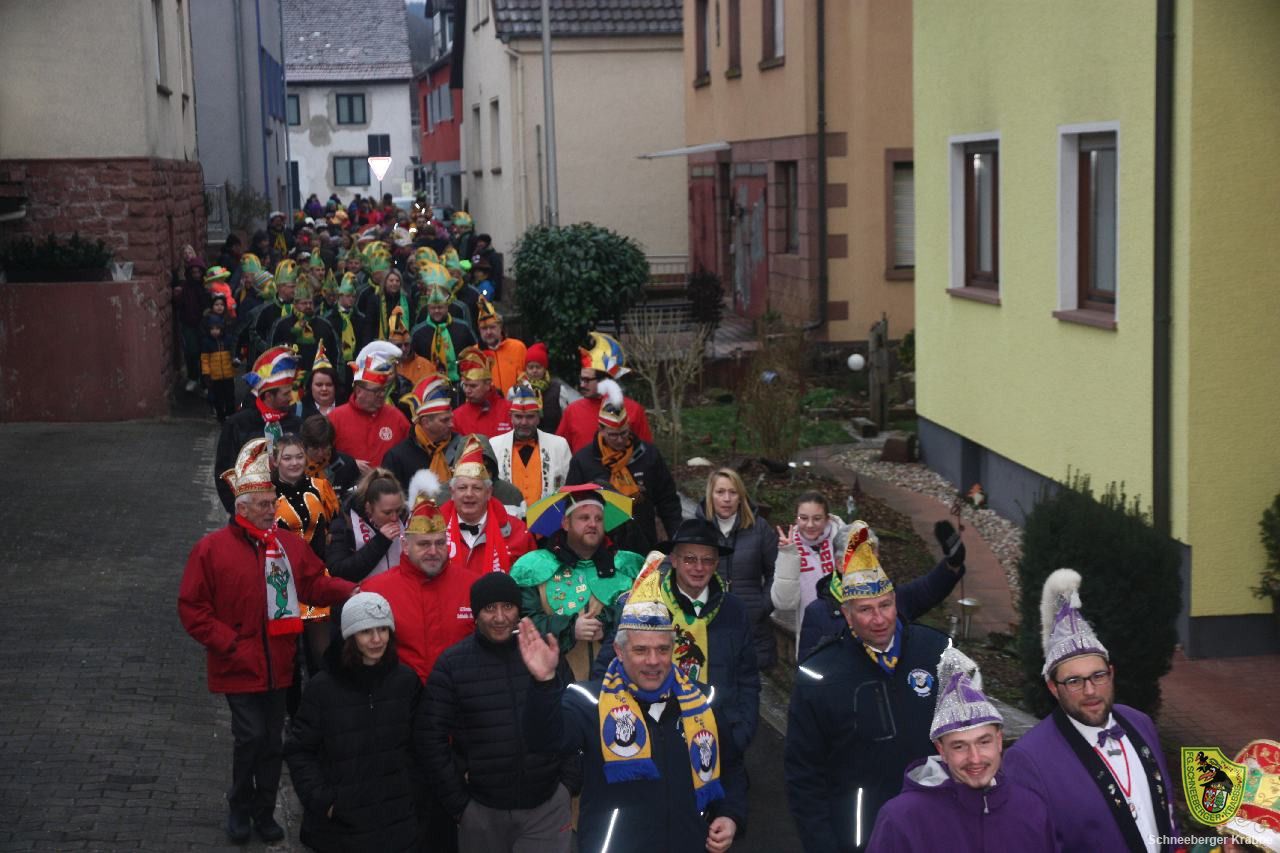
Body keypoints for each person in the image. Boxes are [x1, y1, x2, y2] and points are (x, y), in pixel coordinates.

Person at [178, 439, 355, 844]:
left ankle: (264, 811)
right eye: (263, 504)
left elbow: (314, 584)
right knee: (251, 738)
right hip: (236, 664)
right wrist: (229, 643)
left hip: (279, 661)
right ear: (242, 508)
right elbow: (192, 608)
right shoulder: (211, 550)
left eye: (272, 502)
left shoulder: (287, 545)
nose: (272, 509)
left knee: (274, 741)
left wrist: (352, 591)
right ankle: (240, 806)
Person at [518, 562, 749, 853]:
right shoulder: (589, 702)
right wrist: (543, 684)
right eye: (640, 650)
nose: (653, 661)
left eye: (662, 649)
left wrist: (730, 813)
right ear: (619, 650)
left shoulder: (704, 700)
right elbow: (543, 741)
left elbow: (731, 766)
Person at [783, 524, 952, 853]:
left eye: (885, 605)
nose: (879, 619)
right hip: (862, 838)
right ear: (847, 615)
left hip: (934, 827)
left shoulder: (937, 652)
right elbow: (804, 774)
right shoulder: (818, 675)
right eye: (865, 609)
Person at [1002, 569, 1178, 852]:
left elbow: (1166, 811)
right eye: (1074, 681)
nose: (1090, 690)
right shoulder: (1027, 760)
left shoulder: (1140, 723)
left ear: (1111, 673)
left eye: (1098, 676)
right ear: (1053, 687)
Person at [418, 573, 580, 852]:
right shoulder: (452, 665)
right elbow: (430, 738)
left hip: (547, 806)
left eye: (507, 606)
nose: (500, 617)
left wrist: (567, 786)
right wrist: (459, 805)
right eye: (489, 608)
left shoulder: (542, 653)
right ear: (476, 614)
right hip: (482, 812)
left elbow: (573, 717)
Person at [594, 518, 761, 757]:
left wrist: (741, 734)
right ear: (673, 560)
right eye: (690, 559)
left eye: (707, 560)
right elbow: (606, 668)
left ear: (716, 564)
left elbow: (748, 678)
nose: (699, 568)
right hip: (656, 737)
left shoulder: (734, 610)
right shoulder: (646, 605)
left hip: (721, 736)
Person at [867, 646, 1056, 852]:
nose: (975, 758)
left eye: (983, 742)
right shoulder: (902, 819)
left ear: (999, 741)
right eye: (959, 746)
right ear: (941, 750)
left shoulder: (1031, 809)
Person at [283, 592, 423, 853]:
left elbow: (420, 745)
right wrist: (323, 800)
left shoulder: (406, 682)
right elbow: (300, 750)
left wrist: (412, 791)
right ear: (350, 636)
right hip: (339, 828)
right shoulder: (322, 688)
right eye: (366, 631)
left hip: (397, 822)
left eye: (383, 629)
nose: (377, 639)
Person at [510, 490, 645, 679]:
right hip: (554, 684)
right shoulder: (533, 567)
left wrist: (607, 625)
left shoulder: (628, 567)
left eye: (599, 518)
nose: (593, 524)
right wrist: (570, 629)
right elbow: (524, 625)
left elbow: (645, 614)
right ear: (566, 523)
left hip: (618, 687)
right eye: (584, 518)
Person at [797, 520, 968, 661]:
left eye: (873, 558)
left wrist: (953, 562)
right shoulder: (819, 613)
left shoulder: (892, 598)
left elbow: (927, 590)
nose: (870, 566)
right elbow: (808, 673)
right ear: (840, 564)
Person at [362, 476, 478, 681]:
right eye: (423, 544)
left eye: (439, 543)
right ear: (405, 546)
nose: (433, 551)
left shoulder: (473, 586)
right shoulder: (375, 591)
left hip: (461, 694)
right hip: (403, 695)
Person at [565, 380, 682, 553]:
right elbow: (572, 504)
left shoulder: (648, 455)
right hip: (599, 546)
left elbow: (668, 501)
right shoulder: (583, 460)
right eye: (613, 435)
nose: (620, 440)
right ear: (601, 430)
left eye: (624, 433)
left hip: (644, 543)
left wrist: (678, 540)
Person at [694, 467, 778, 669]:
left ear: (741, 497)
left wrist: (762, 606)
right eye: (720, 492)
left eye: (733, 492)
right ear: (711, 495)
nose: (727, 498)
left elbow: (775, 572)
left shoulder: (760, 528)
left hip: (752, 627)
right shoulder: (695, 529)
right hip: (708, 626)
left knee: (750, 683)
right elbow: (676, 569)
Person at [213, 346, 303, 513]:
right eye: (285, 394)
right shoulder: (238, 424)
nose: (291, 398)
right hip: (249, 513)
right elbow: (225, 472)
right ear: (268, 396)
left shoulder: (297, 425)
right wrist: (237, 511)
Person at [770, 492, 852, 657]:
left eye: (817, 518)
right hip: (812, 629)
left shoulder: (846, 541)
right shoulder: (789, 546)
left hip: (849, 624)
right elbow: (784, 603)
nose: (810, 524)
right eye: (803, 518)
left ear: (827, 519)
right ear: (796, 519)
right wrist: (788, 555)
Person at [438, 438, 535, 576]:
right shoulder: (432, 531)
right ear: (452, 492)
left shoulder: (518, 532)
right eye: (462, 488)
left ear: (488, 492)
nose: (469, 494)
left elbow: (530, 581)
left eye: (477, 488)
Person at [556, 332, 653, 452]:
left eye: (587, 380)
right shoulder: (572, 411)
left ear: (605, 381)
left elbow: (646, 452)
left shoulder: (634, 410)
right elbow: (559, 451)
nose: (582, 385)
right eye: (581, 379)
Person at [489, 378, 572, 511]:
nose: (524, 422)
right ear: (511, 417)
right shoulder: (494, 445)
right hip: (507, 521)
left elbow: (569, 488)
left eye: (530, 417)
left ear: (539, 417)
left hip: (549, 521)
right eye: (518, 417)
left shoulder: (559, 445)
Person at [328, 341, 410, 470]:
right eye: (376, 391)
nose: (382, 395)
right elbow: (322, 456)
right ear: (359, 391)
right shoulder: (335, 418)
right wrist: (350, 464)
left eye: (383, 390)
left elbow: (410, 455)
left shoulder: (397, 418)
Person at [327, 467, 406, 583]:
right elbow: (338, 571)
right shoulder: (345, 523)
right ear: (369, 507)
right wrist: (381, 541)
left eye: (398, 510)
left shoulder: (406, 517)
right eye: (387, 512)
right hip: (363, 592)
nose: (394, 518)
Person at [411, 277, 476, 383]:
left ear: (447, 307)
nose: (437, 311)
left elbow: (474, 351)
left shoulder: (463, 328)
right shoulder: (418, 332)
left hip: (460, 381)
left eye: (440, 307)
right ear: (428, 309)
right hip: (428, 382)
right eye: (433, 308)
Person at [450, 346, 512, 438]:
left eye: (473, 386)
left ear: (488, 384)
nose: (467, 391)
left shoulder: (509, 410)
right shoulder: (457, 417)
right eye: (465, 385)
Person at [300, 413, 360, 502]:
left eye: (325, 447)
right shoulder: (293, 467)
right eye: (315, 448)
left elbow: (355, 500)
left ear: (332, 444)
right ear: (304, 445)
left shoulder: (347, 465)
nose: (320, 454)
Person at [522, 342, 578, 435]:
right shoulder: (518, 390)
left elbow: (566, 419)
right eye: (531, 367)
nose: (534, 371)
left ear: (545, 368)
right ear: (526, 369)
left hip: (553, 438)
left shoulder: (559, 390)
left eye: (538, 367)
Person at [475, 298, 525, 394]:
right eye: (484, 328)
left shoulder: (518, 348)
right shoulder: (474, 353)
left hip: (517, 402)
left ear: (500, 327)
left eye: (492, 327)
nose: (488, 332)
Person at [200, 300, 237, 422]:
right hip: (215, 376)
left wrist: (235, 362)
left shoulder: (228, 340)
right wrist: (206, 373)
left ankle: (230, 414)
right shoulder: (207, 342)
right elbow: (205, 360)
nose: (215, 331)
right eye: (212, 329)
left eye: (217, 329)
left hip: (228, 374)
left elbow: (234, 354)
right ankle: (220, 415)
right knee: (218, 397)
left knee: (230, 396)